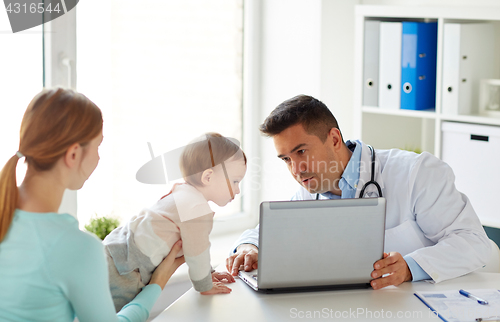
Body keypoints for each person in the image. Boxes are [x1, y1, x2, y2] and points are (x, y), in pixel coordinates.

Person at [226, 94, 491, 290]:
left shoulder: (415, 172)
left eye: (301, 151)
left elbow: (475, 243)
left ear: (334, 139)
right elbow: (269, 229)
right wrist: (250, 246)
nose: (296, 169)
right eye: (286, 159)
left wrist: (411, 267)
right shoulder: (311, 189)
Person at [0, 88, 185, 322]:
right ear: (74, 154)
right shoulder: (77, 247)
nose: (99, 157)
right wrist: (158, 282)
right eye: (98, 146)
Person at [103, 133, 247, 310]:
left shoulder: (182, 192)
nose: (238, 190)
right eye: (235, 181)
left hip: (115, 249)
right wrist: (205, 285)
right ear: (208, 177)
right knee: (120, 313)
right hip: (128, 268)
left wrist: (208, 273)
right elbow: (197, 251)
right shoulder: (196, 208)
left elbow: (195, 247)